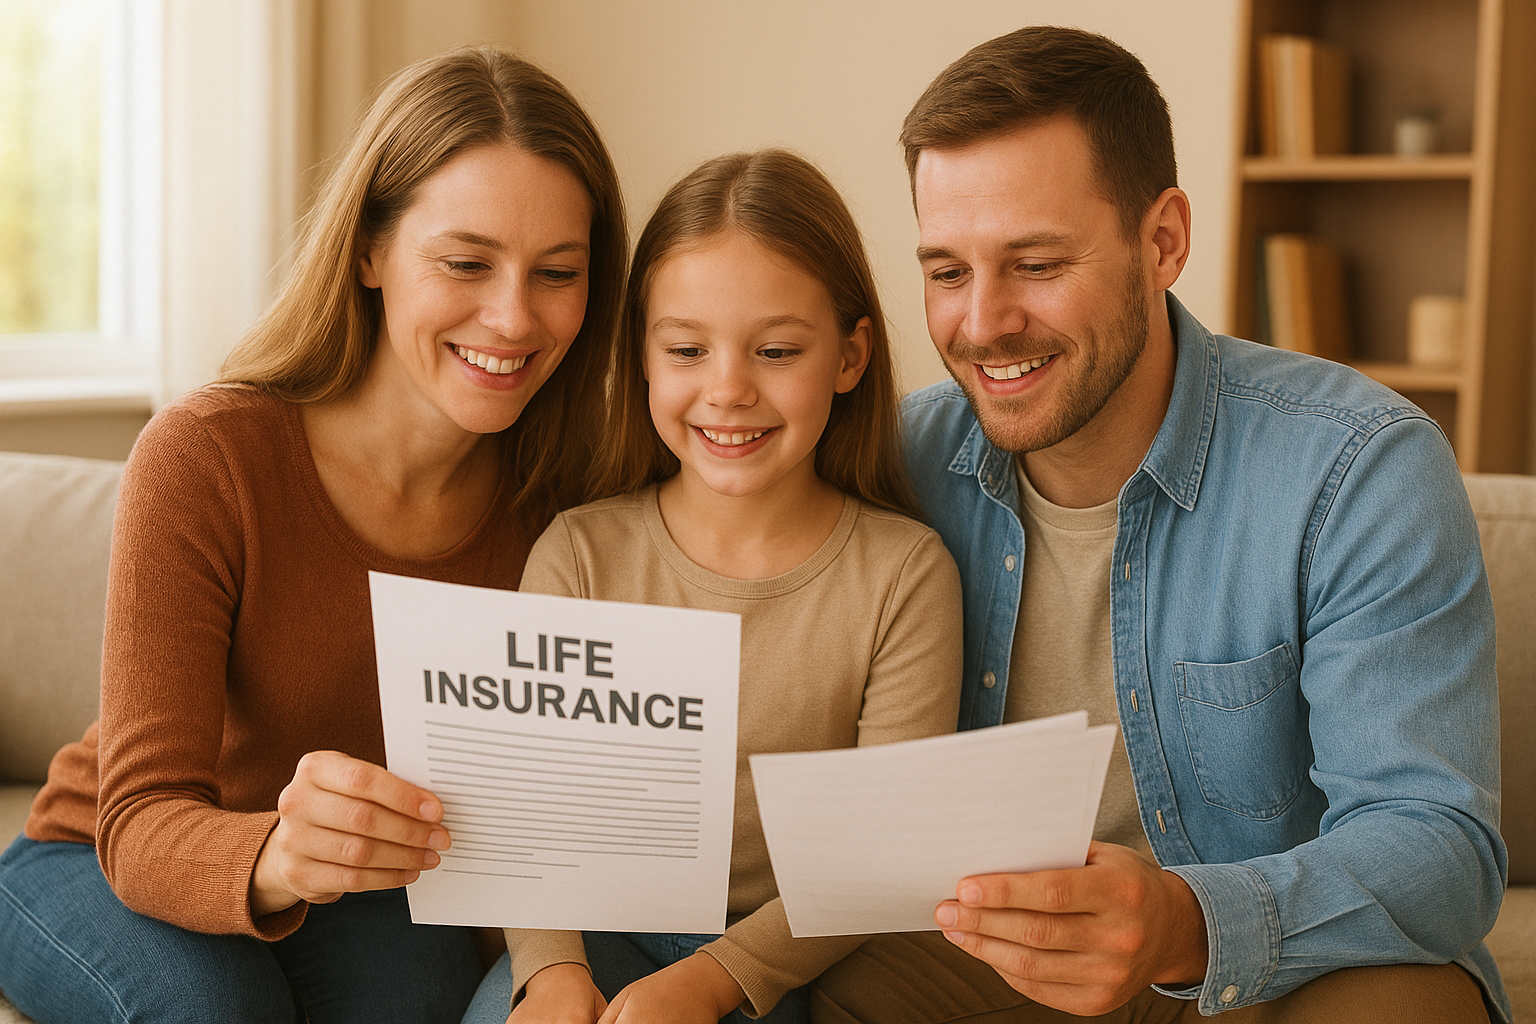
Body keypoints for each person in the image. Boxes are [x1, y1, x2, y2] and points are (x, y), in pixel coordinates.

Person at [808, 26, 1509, 1024]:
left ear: (1163, 240)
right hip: (997, 968)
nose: (983, 322)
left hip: (1269, 972)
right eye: (948, 271)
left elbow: (1439, 848)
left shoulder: (1358, 467)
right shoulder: (895, 462)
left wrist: (1188, 920)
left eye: (1036, 262)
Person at [0, 46, 627, 1024]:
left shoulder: (571, 500)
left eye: (558, 272)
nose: (512, 316)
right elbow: (138, 820)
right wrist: (278, 854)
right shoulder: (207, 455)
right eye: (465, 262)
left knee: (420, 1001)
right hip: (98, 856)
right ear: (371, 250)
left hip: (356, 886)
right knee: (219, 1010)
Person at [457, 149, 965, 1024]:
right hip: (589, 937)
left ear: (849, 357)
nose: (727, 389)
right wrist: (549, 973)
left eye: (774, 350)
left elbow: (872, 856)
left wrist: (713, 980)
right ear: (645, 358)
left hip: (785, 962)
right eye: (687, 348)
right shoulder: (578, 554)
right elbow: (530, 807)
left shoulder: (904, 574)